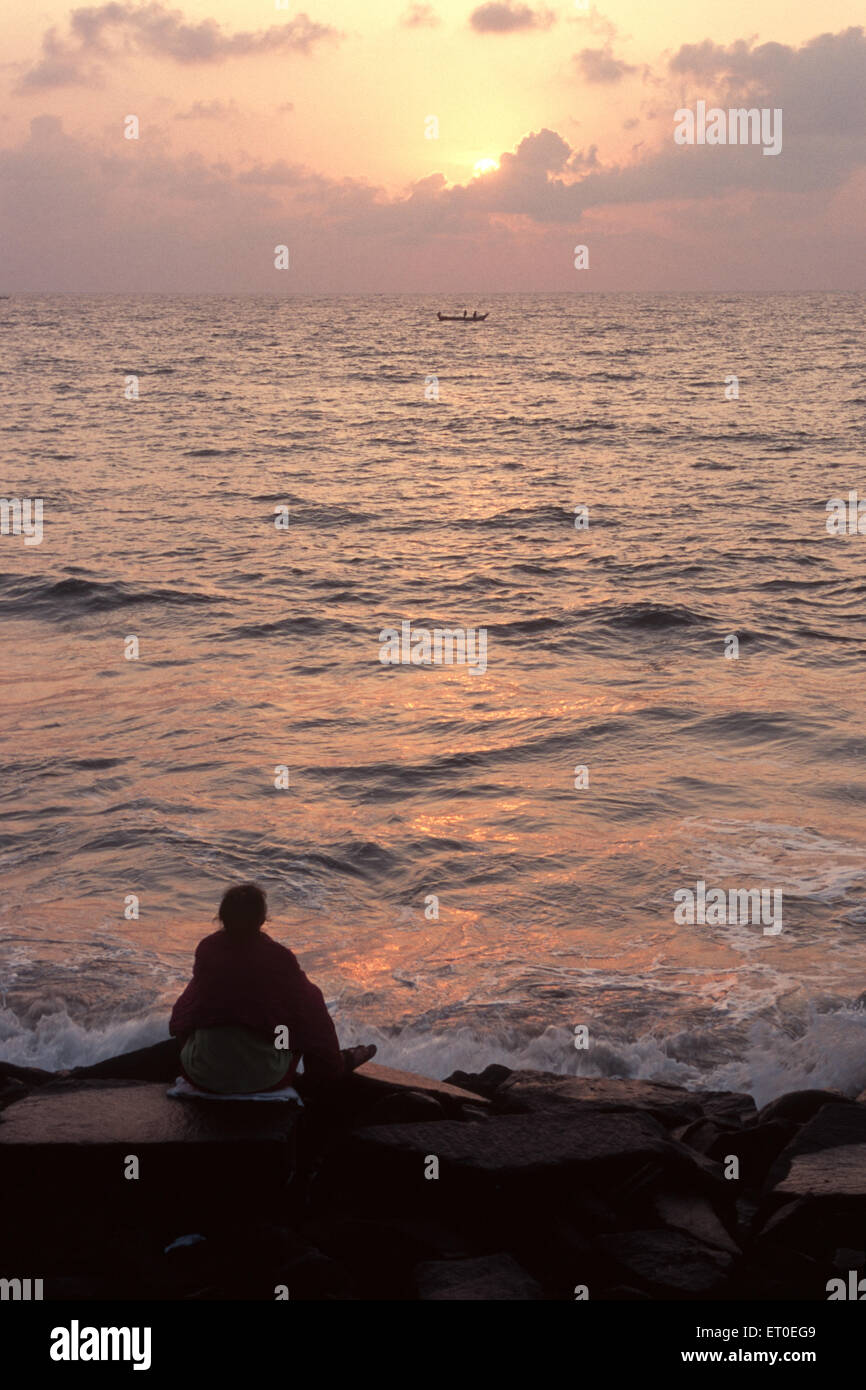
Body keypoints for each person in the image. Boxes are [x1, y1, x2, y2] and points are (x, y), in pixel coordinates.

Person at [0, 884, 374, 1097]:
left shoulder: (208, 950)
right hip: (265, 1076)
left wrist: (199, 1040)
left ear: (222, 919)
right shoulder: (278, 957)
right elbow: (312, 1014)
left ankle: (75, 1076)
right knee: (287, 1032)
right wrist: (332, 1067)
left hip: (203, 1072)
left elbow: (183, 1018)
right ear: (263, 919)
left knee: (190, 1042)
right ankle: (329, 1067)